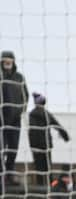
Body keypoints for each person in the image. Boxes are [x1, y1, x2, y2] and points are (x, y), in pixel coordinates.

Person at [28, 92, 70, 186]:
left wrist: (32, 145)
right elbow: (57, 125)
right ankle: (50, 185)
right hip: (46, 144)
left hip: (36, 146)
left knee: (39, 167)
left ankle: (40, 185)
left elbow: (31, 132)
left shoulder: (32, 115)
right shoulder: (47, 114)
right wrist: (65, 136)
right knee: (48, 167)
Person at [0, 50, 29, 182]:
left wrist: (20, 110)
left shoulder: (19, 77)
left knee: (13, 148)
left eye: (9, 59)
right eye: (4, 59)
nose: (7, 61)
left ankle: (9, 173)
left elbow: (25, 97)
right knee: (1, 148)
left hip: (15, 120)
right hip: (1, 120)